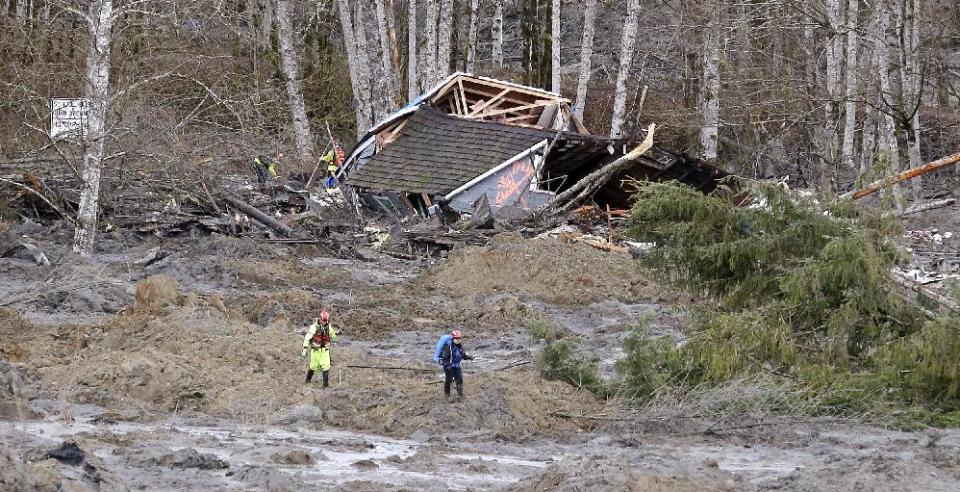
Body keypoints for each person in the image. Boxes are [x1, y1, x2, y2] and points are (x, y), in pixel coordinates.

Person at [433, 330, 474, 402]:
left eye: (459, 338)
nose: (458, 340)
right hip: (449, 366)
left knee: (460, 380)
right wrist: (447, 365)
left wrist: (469, 357)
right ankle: (447, 396)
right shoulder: (448, 347)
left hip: (457, 366)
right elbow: (445, 358)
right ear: (453, 339)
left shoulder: (460, 347)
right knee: (448, 380)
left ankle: (460, 395)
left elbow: (463, 355)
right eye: (456, 338)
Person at [301, 310, 338, 387]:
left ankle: (325, 385)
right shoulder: (313, 328)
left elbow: (332, 335)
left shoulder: (328, 327)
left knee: (326, 366)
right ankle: (308, 380)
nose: (324, 322)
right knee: (313, 366)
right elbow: (307, 338)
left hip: (325, 351)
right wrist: (305, 348)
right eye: (323, 320)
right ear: (320, 319)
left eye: (325, 321)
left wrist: (336, 334)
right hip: (315, 351)